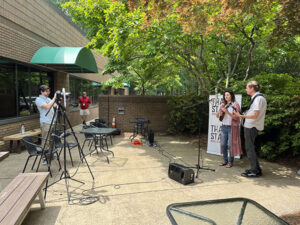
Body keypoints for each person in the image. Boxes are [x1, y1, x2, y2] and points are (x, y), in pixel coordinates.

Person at [234, 81, 267, 178]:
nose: (246, 89)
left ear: (252, 88)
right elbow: (253, 112)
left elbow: (255, 115)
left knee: (249, 148)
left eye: (247, 87)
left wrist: (240, 115)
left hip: (251, 127)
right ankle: (256, 169)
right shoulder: (257, 98)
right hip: (251, 126)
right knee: (250, 148)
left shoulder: (258, 99)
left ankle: (254, 171)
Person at [216, 90, 242, 168]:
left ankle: (230, 161)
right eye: (225, 95)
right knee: (223, 145)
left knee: (231, 145)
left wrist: (227, 112)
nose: (226, 96)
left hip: (232, 128)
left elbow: (236, 117)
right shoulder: (223, 105)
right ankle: (225, 160)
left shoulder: (235, 105)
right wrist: (219, 113)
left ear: (231, 96)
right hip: (224, 127)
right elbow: (218, 116)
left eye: (228, 95)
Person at [35, 85, 57, 164]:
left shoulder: (48, 99)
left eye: (49, 91)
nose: (48, 93)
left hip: (52, 122)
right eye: (46, 91)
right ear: (41, 91)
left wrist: (58, 100)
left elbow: (54, 105)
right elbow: (47, 106)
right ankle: (44, 158)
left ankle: (50, 155)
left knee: (51, 140)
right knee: (46, 140)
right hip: (45, 122)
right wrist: (54, 98)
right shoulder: (38, 99)